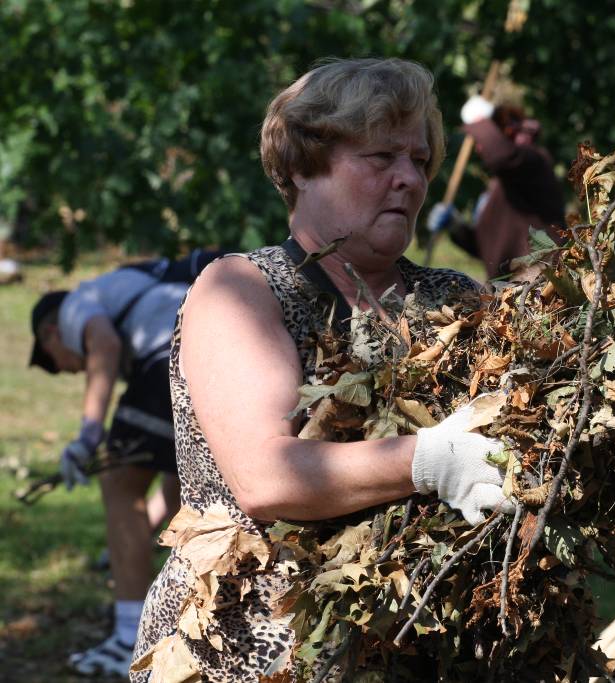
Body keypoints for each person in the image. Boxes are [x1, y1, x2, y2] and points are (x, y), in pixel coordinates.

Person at [131, 58, 514, 682]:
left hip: (419, 650)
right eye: (381, 157)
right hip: (251, 649)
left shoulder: (455, 300)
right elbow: (265, 477)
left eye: (419, 161)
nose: (409, 180)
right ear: (305, 166)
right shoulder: (243, 291)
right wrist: (434, 460)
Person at [29, 263, 188, 676]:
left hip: (171, 348)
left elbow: (103, 346)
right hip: (203, 342)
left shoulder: (77, 304)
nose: (71, 369)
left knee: (120, 483)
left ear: (50, 333)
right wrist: (133, 536)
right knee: (183, 485)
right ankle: (175, 624)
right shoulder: (124, 288)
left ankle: (130, 642)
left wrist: (87, 436)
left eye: (56, 361)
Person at [427, 91, 565, 279]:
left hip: (540, 283)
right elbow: (489, 250)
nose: (478, 147)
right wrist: (455, 227)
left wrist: (479, 122)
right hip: (509, 292)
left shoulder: (534, 162)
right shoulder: (498, 188)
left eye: (483, 137)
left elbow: (501, 156)